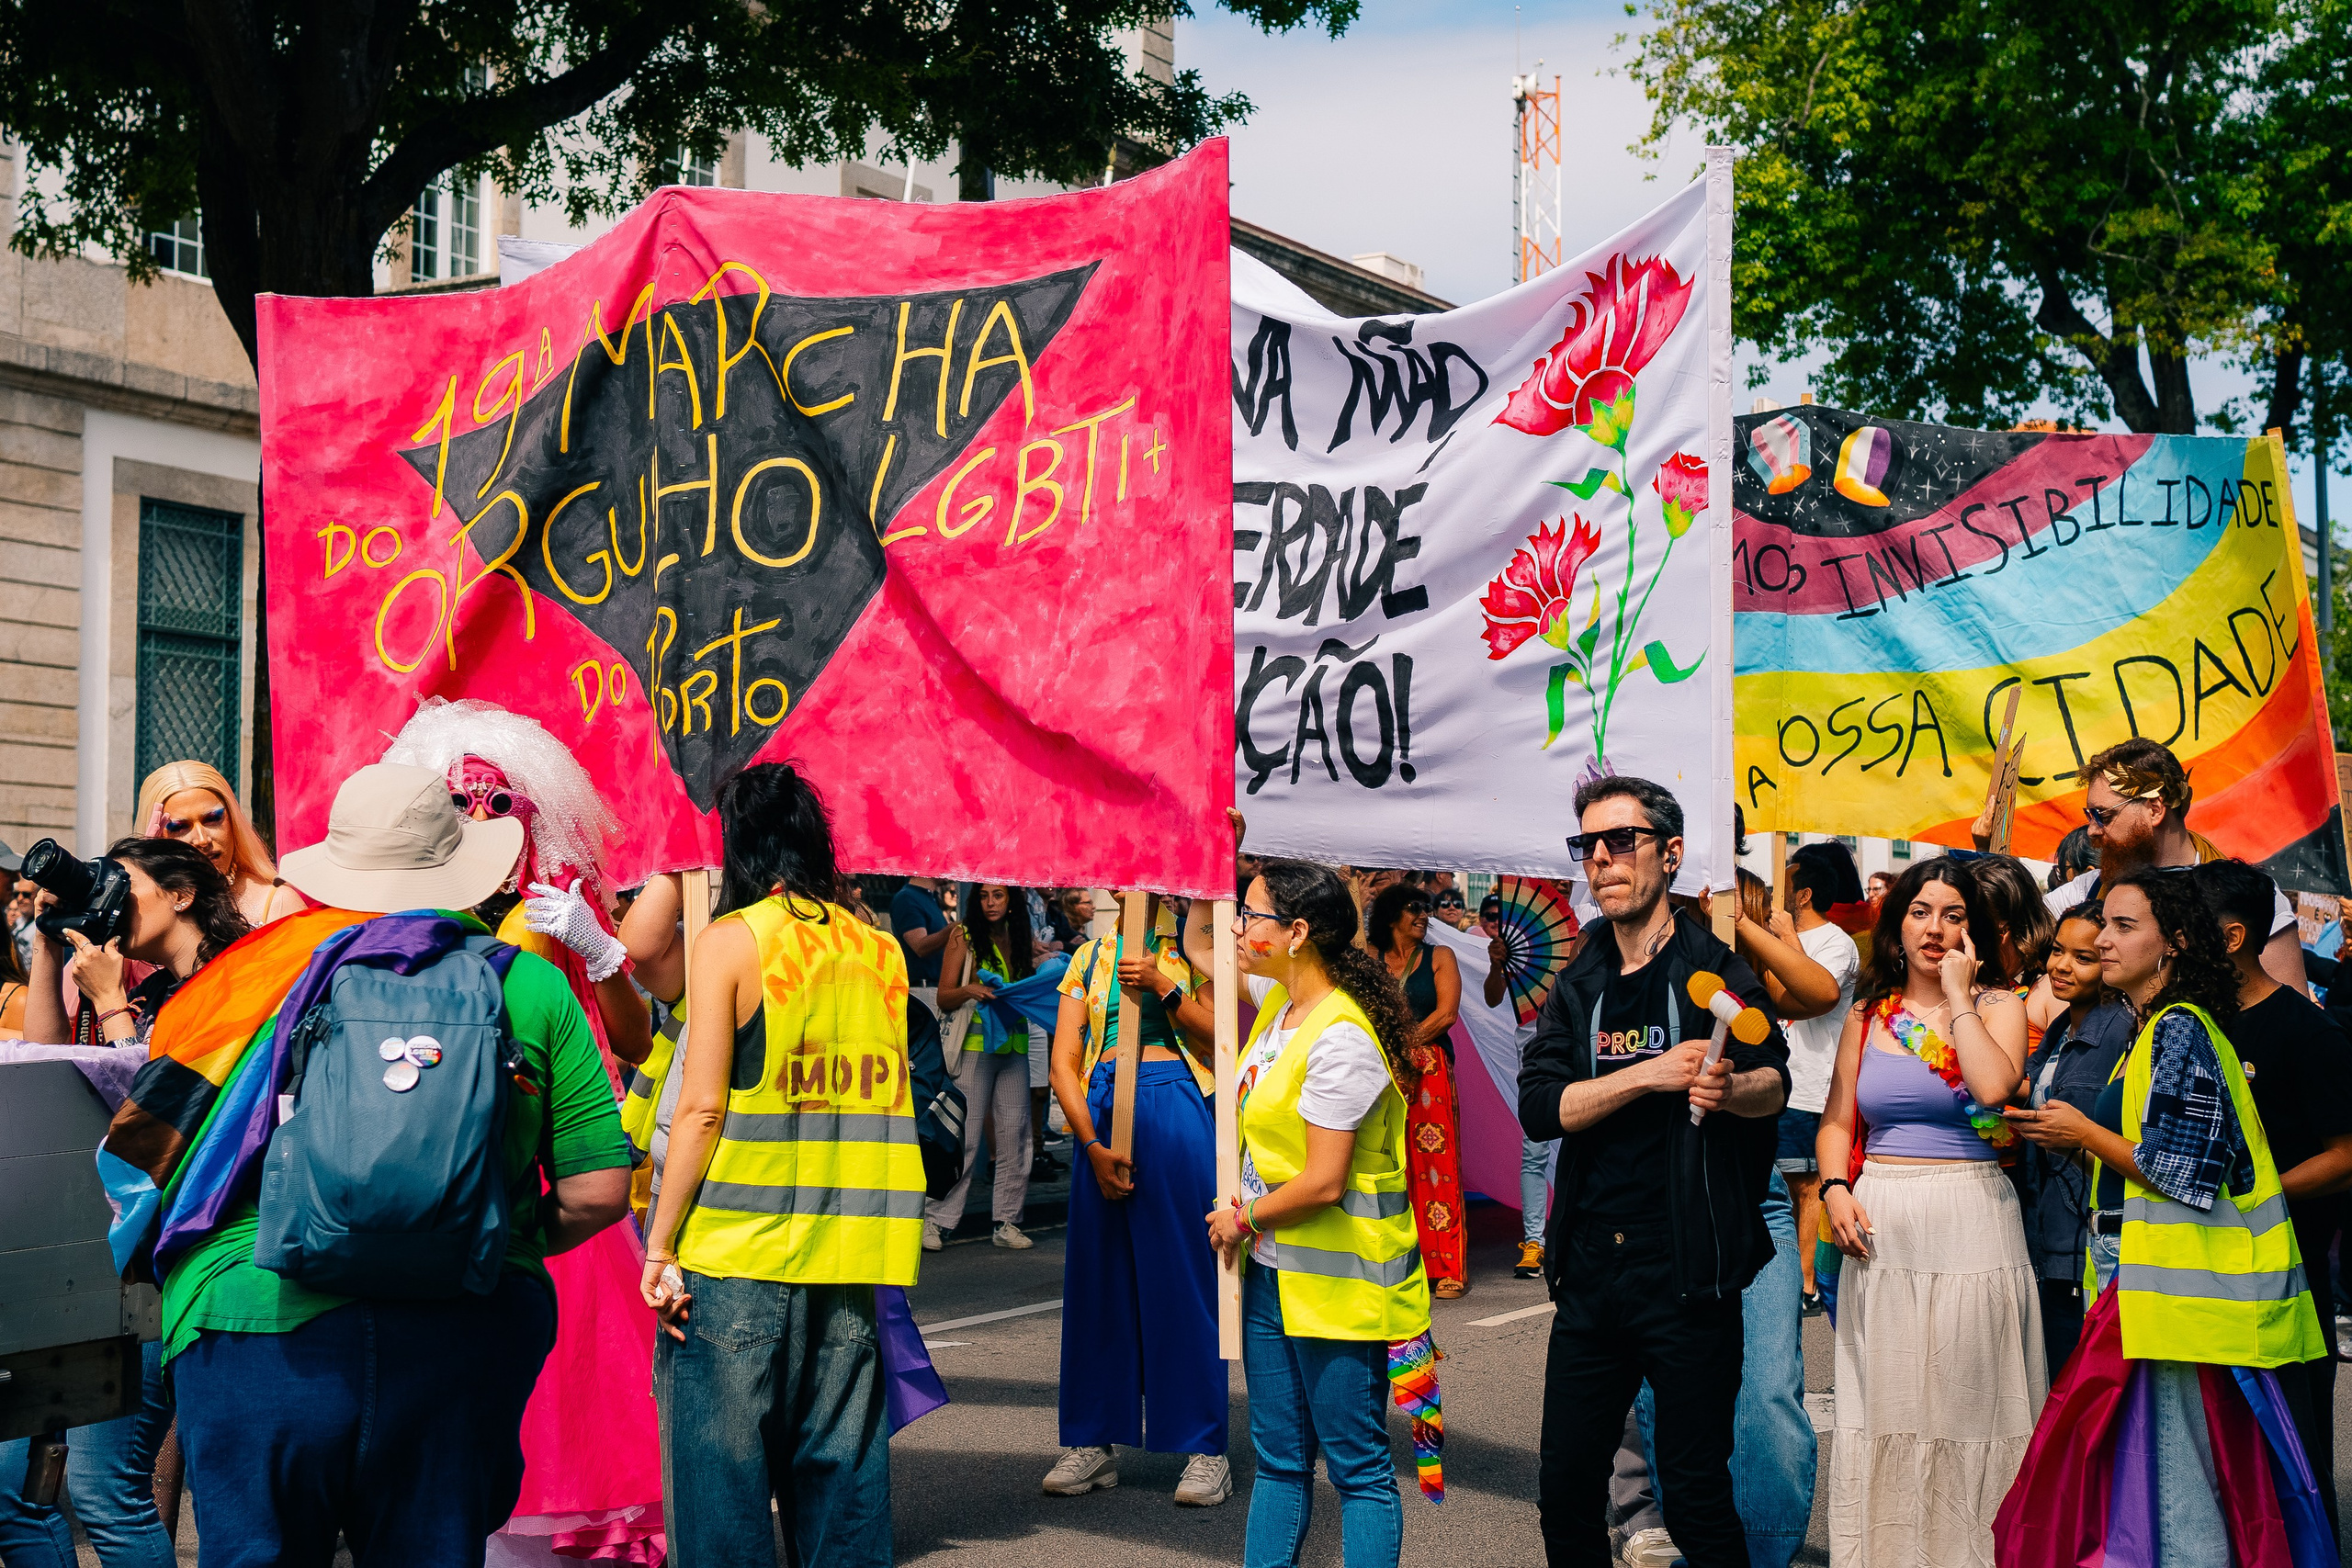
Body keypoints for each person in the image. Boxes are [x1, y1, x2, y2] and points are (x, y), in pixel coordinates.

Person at [95, 762, 631, 1568]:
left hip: (254, 1325)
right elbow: (600, 1192)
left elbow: (147, 1159)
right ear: (459, 863)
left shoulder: (234, 981)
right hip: (460, 1329)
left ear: (339, 867)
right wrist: (475, 1228)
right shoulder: (529, 984)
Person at [378, 697, 661, 1565]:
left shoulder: (555, 907)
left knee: (564, 1384)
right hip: (451, 1175)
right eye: (461, 802)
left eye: (499, 802)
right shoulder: (406, 920)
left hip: (556, 1183)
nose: (481, 819)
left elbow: (635, 1039)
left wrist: (599, 950)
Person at [1996, 870, 2330, 1568]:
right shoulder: (2161, 1027)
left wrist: (2084, 1133)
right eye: (2106, 925)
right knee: (2166, 1497)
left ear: (2173, 943)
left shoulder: (2177, 1029)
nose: (2104, 941)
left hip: (2189, 1309)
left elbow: (2185, 1173)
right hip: (2171, 1301)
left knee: (2180, 1506)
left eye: (2125, 927)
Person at [639, 761, 922, 1568]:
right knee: (842, 1500)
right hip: (851, 1258)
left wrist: (659, 1244)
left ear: (741, 847)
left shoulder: (732, 941)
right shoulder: (881, 952)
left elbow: (701, 1109)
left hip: (735, 1258)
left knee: (722, 1506)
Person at [1518, 774, 1790, 1568]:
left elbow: (1773, 1079)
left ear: (1670, 854)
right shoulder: (1579, 978)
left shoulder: (1712, 966)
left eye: (1620, 840)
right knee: (1566, 1492)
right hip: (1592, 1270)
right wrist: (1645, 1075)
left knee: (1696, 1493)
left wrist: (1729, 1088)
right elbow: (1540, 1106)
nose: (1601, 859)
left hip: (1687, 1272)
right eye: (1588, 845)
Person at [4, 837, 248, 1568]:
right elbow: (52, 1065)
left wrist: (112, 1004)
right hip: (95, 1252)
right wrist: (51, 944)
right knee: (18, 1492)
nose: (110, 899)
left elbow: (166, 1120)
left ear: (181, 893)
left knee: (107, 1491)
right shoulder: (150, 988)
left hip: (166, 1263)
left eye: (123, 884)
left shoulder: (233, 985)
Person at [1205, 858, 1430, 1568]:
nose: (1238, 928)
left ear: (1297, 931)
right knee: (1278, 1461)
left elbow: (1326, 1180)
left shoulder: (1343, 1034)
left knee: (1357, 1467)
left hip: (1341, 1287)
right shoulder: (1279, 1003)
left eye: (1251, 915)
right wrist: (1215, 852)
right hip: (1273, 1276)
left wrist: (1244, 1218)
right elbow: (1201, 939)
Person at [1817, 859, 2042, 1568]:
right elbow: (1837, 1119)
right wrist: (1834, 1186)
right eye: (1920, 911)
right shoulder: (1867, 1014)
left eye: (1953, 914)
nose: (1934, 928)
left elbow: (1994, 1084)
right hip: (1883, 1218)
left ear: (1975, 929)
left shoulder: (2000, 1004)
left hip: (1972, 1213)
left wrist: (1958, 995)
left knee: (1971, 1407)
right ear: (1898, 921)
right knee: (1886, 1406)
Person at [1041, 891, 1229, 1506]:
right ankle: (1091, 1440)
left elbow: (1223, 1035)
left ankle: (1206, 1447)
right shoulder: (1088, 957)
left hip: (1176, 1098)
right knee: (1098, 1283)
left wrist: (1164, 987)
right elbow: (1063, 1063)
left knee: (1184, 1277)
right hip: (1099, 1107)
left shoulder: (1196, 944)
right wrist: (1091, 1145)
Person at [2193, 856, 2352, 1534]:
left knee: (2295, 1451)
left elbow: (2345, 1156)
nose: (2170, 940)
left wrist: (2256, 1197)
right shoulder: (2185, 1023)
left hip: (2288, 1278)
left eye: (2184, 927)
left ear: (2232, 937)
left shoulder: (2306, 1032)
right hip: (2198, 1277)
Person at [2042, 738, 2304, 990]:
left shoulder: (2247, 898)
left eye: (2103, 815)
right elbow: (2023, 927)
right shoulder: (2087, 890)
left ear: (2155, 809)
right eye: (2089, 815)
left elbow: (2286, 1010)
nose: (2091, 831)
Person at [2016, 902, 2132, 1375]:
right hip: (2053, 1227)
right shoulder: (2063, 1025)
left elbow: (2125, 1144)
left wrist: (2069, 1135)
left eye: (2083, 958)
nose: (2061, 966)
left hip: (2088, 1235)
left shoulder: (2120, 1030)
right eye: (2057, 950)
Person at [924, 883, 1041, 1250]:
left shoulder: (1019, 936)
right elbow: (944, 996)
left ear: (1011, 901)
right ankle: (935, 1221)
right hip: (975, 1048)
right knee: (965, 1138)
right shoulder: (964, 935)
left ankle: (1007, 1222)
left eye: (999, 895)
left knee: (1016, 1136)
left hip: (1015, 1046)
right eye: (984, 896)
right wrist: (971, 990)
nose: (990, 903)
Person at [1368, 881, 1470, 1298]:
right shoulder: (1370, 958)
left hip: (1428, 1069)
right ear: (1392, 914)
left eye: (1426, 908)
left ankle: (1447, 1268)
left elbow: (1446, 1015)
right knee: (1385, 1164)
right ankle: (1394, 1265)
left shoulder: (1439, 956)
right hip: (1378, 1069)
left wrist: (1402, 1046)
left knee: (1435, 1166)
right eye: (1415, 907)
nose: (1424, 915)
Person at [1778, 843, 1862, 1314]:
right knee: (1780, 1183)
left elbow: (1815, 992)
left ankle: (1805, 1281)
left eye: (1785, 883)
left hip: (1814, 1085)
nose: (1776, 891)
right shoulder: (1778, 934)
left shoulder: (1837, 943)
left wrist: (1786, 938)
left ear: (1804, 894)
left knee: (1807, 1185)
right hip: (1780, 1080)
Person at [1482, 890, 1561, 1280]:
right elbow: (1492, 997)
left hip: (1582, 1047)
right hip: (1533, 1050)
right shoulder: (1522, 940)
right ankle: (1534, 1242)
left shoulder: (1590, 926)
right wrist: (1496, 964)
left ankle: (1574, 1235)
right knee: (1534, 1149)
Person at [136, 760, 306, 928]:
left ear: (233, 820)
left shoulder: (279, 904)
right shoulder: (141, 915)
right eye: (180, 827)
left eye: (212, 819)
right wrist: (145, 872)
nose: (202, 840)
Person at [891, 874, 953, 1003]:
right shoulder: (906, 898)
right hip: (923, 991)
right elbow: (920, 946)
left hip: (934, 989)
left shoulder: (931, 898)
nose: (949, 868)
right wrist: (953, 928)